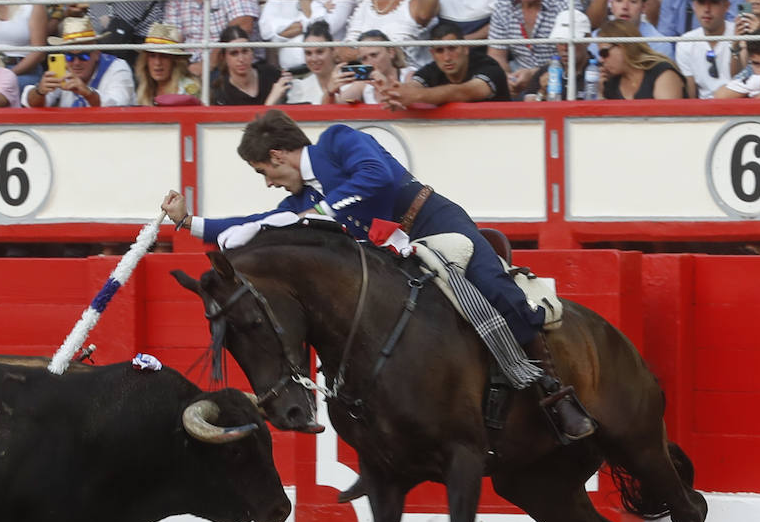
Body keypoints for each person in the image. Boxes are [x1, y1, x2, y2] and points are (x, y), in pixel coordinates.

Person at [159, 109, 596, 441]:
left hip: (431, 222)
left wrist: (322, 211)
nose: (269, 184)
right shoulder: (303, 198)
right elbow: (257, 224)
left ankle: (554, 393)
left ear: (276, 155)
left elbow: (377, 176)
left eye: (264, 172)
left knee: (500, 295)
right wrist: (189, 222)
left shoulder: (336, 141)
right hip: (390, 254)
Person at [488, 0, 575, 96]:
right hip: (518, 82)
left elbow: (574, 57)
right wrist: (507, 79)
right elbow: (496, 55)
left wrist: (535, 75)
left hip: (560, 82)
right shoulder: (503, 2)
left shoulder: (565, 3)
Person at [384, 19, 510, 104]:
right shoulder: (431, 70)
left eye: (452, 48)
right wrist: (396, 93)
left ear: (465, 48)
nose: (447, 57)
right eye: (440, 51)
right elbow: (414, 86)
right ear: (432, 54)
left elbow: (465, 92)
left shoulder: (489, 66)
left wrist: (417, 96)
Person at [23, 14, 136, 106]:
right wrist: (40, 92)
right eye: (70, 56)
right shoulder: (62, 68)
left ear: (97, 53)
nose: (76, 62)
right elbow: (30, 103)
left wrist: (88, 93)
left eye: (84, 56)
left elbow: (119, 105)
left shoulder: (117, 67)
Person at [675, 0, 738, 98]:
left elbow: (741, 80)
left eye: (713, 2)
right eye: (701, 2)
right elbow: (691, 94)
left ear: (726, 6)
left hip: (740, 105)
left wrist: (737, 46)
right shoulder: (685, 42)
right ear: (693, 6)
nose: (707, 9)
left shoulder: (740, 33)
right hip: (704, 112)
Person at [596, 19, 686, 97]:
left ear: (622, 47)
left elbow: (667, 115)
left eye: (604, 53)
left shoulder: (662, 73)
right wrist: (601, 95)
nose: (601, 60)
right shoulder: (611, 84)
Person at [517, 8, 593, 99]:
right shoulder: (545, 71)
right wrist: (542, 92)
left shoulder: (600, 72)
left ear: (588, 40)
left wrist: (599, 94)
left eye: (571, 42)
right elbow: (528, 110)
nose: (565, 48)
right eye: (560, 41)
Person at [593, 0, 674, 56]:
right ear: (611, 5)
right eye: (619, 0)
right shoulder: (596, 39)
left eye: (633, 1)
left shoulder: (659, 44)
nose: (625, 7)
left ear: (643, 7)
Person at [212, 22, 289, 103]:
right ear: (224, 57)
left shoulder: (271, 74)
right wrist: (271, 101)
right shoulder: (221, 92)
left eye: (245, 51)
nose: (241, 59)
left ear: (252, 52)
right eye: (234, 53)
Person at [336, 27, 414, 103]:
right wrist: (331, 91)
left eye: (374, 55)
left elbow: (407, 105)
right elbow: (338, 104)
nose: (370, 62)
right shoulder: (364, 83)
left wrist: (385, 87)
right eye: (364, 58)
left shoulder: (409, 75)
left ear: (391, 52)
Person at [133, 21, 202, 104]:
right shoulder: (143, 88)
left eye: (164, 56)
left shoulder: (188, 87)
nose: (157, 63)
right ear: (145, 60)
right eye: (152, 56)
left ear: (175, 61)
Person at [284, 18, 341, 103]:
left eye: (320, 52)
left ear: (333, 50)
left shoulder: (350, 80)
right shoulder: (299, 87)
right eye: (308, 53)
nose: (314, 59)